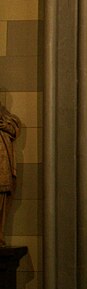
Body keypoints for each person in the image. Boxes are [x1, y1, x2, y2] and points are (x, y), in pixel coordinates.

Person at [0, 102, 21, 245]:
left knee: (1, 202)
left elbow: (14, 127)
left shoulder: (5, 116)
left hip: (2, 170)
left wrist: (7, 127)